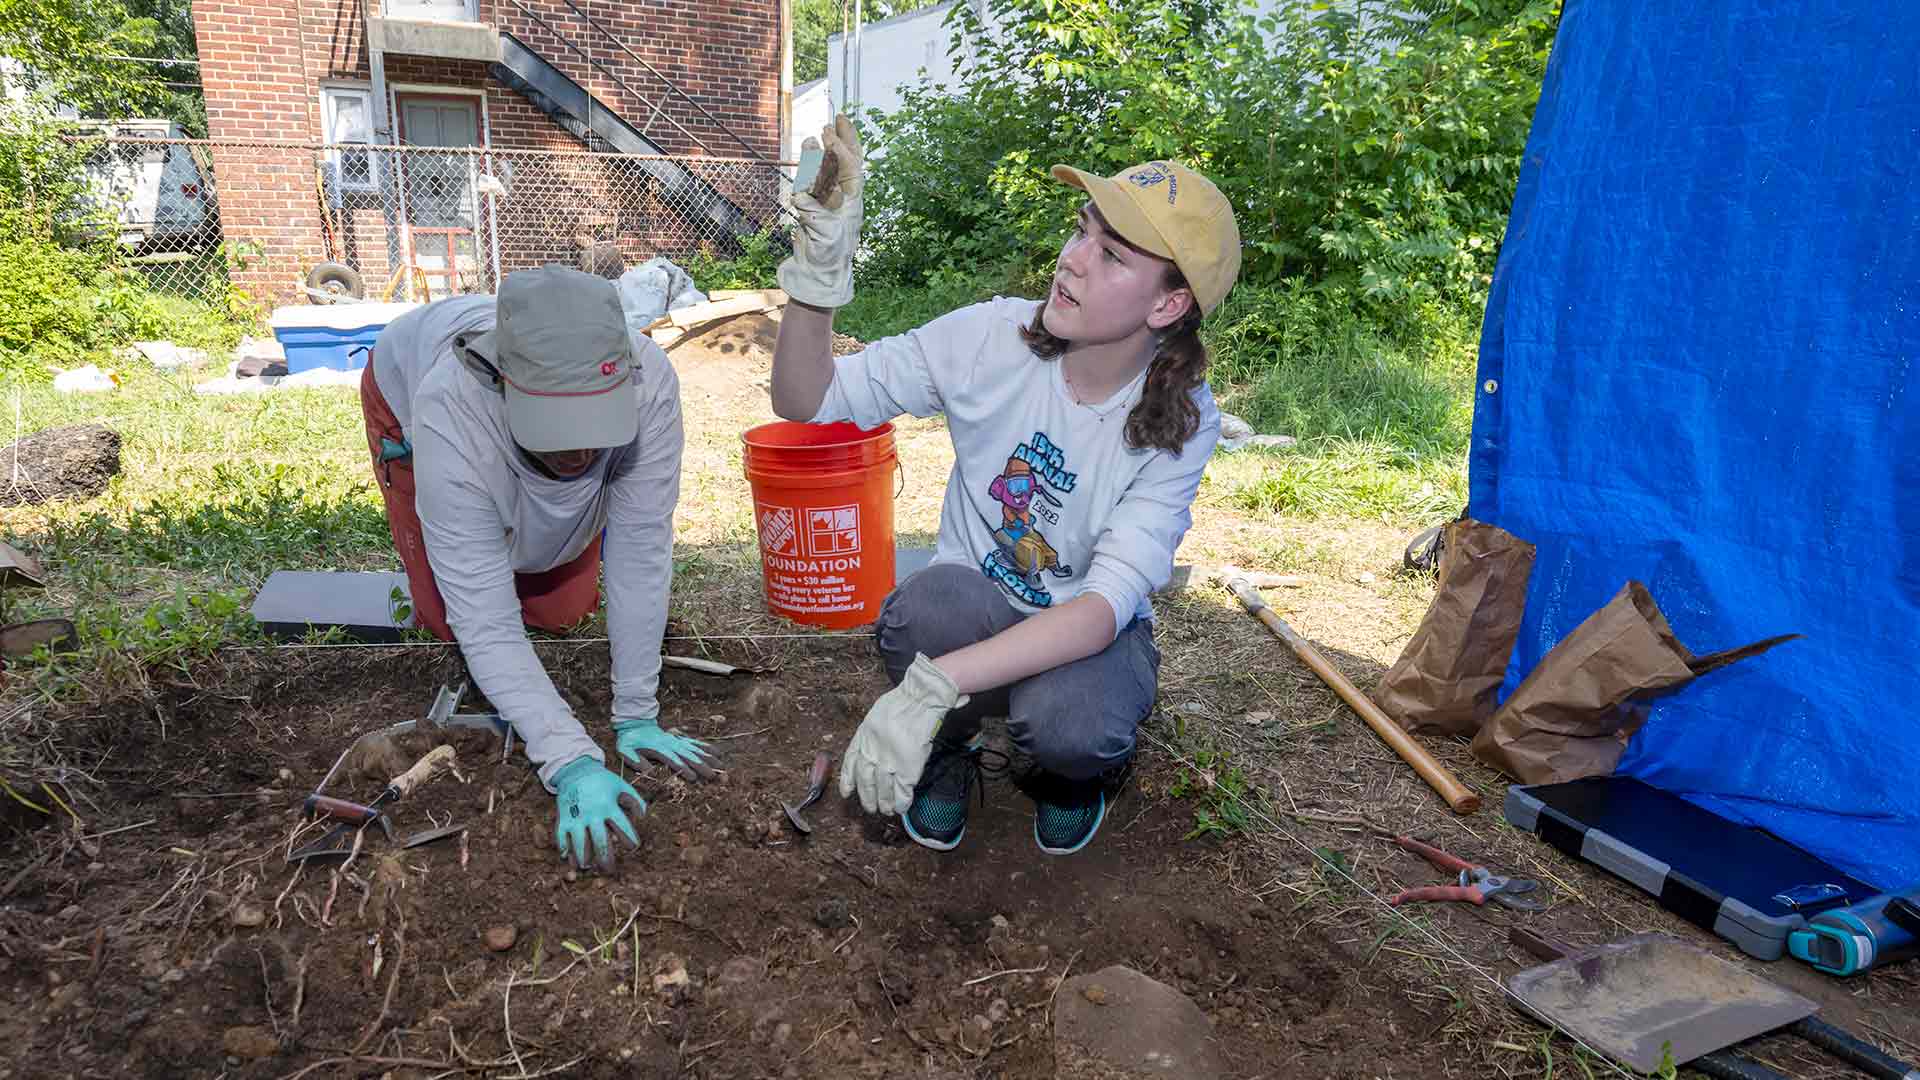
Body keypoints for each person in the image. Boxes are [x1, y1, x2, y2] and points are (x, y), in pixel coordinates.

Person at [770, 119, 1241, 855]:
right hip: (974, 610)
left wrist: (929, 687)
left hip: (1082, 637)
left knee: (1072, 725)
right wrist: (817, 278)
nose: (1072, 260)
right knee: (925, 608)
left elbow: (1095, 611)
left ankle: (1065, 778)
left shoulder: (1181, 423)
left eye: (1111, 254)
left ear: (1167, 306)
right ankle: (952, 747)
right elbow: (808, 399)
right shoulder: (991, 339)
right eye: (1081, 231)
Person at [361, 265, 718, 871]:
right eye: (557, 433)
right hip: (404, 391)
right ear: (504, 384)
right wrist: (569, 757)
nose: (579, 452)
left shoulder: (650, 381)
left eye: (593, 432)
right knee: (453, 616)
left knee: (562, 609)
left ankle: (527, 618)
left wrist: (636, 712)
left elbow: (639, 549)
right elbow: (486, 619)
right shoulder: (450, 407)